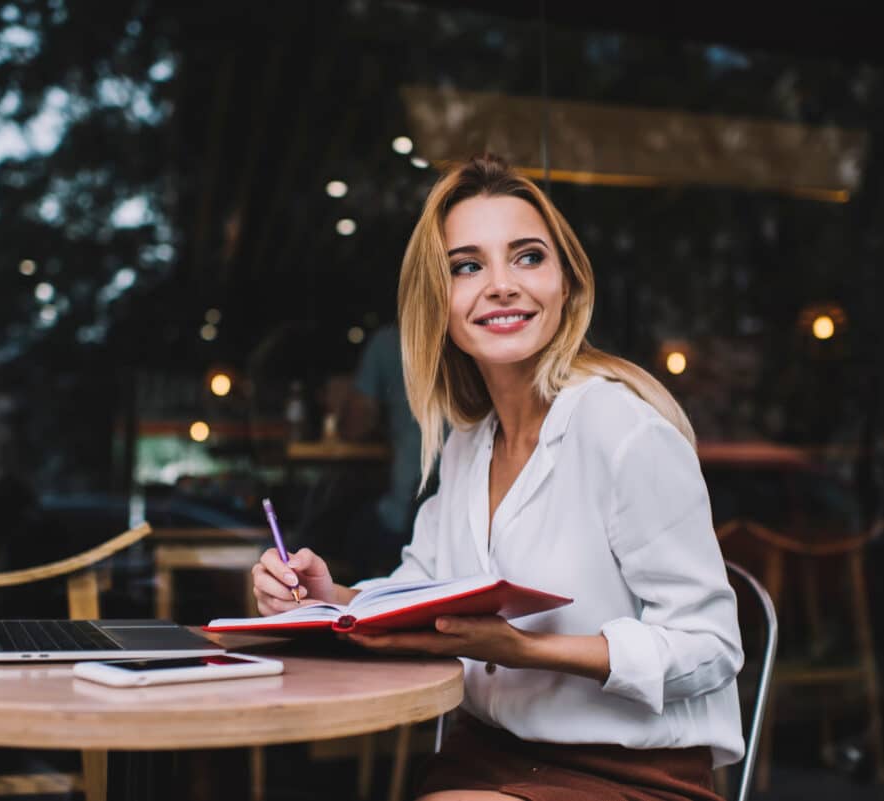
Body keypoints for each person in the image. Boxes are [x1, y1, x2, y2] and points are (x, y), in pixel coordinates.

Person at [251, 155, 743, 801]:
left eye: (528, 257)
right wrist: (326, 598)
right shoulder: (466, 443)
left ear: (566, 284)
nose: (502, 284)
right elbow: (419, 597)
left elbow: (710, 647)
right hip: (484, 759)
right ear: (439, 304)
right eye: (467, 266)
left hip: (632, 777)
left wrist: (523, 648)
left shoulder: (625, 430)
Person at [337, 321, 427, 575]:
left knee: (345, 530)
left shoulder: (389, 343)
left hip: (405, 507)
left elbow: (355, 426)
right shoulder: (470, 340)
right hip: (453, 509)